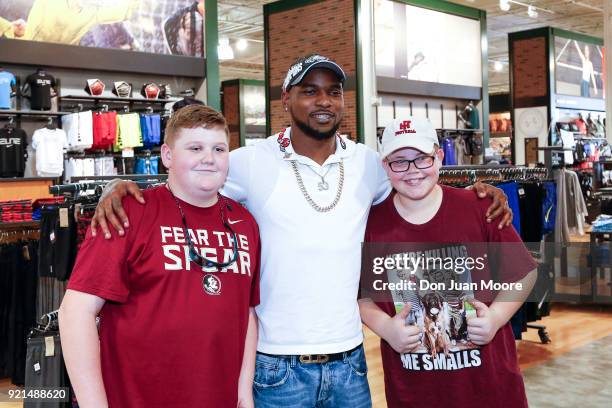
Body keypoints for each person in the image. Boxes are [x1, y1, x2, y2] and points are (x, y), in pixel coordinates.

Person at [90, 55, 512, 407]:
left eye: (333, 90)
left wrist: (475, 191)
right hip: (277, 368)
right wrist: (120, 187)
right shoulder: (250, 161)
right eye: (309, 90)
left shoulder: (367, 163)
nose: (323, 100)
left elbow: (415, 182)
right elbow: (193, 175)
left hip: (350, 364)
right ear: (286, 99)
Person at [58, 105, 260, 408]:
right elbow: (76, 312)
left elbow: (245, 311)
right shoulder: (126, 212)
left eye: (219, 148)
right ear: (167, 155)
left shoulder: (245, 223)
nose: (209, 157)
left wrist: (244, 389)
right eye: (195, 147)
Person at [358, 117, 537, 408]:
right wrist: (386, 329)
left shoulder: (480, 208)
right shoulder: (372, 224)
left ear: (439, 156)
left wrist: (495, 318)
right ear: (385, 166)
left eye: (422, 159)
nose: (412, 171)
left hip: (490, 387)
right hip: (415, 391)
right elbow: (362, 296)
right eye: (399, 162)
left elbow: (524, 273)